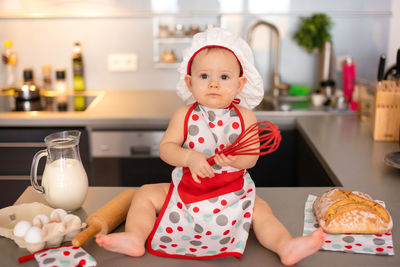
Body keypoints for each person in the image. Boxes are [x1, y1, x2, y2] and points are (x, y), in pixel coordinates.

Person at [96, 27, 325, 265]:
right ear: (189, 81)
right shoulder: (184, 114)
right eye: (204, 76)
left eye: (224, 77)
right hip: (187, 192)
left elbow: (252, 158)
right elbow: (166, 148)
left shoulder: (245, 116)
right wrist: (189, 158)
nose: (214, 84)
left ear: (240, 83)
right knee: (145, 193)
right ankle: (135, 237)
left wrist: (235, 160)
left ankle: (285, 245)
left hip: (233, 195)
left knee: (261, 209)